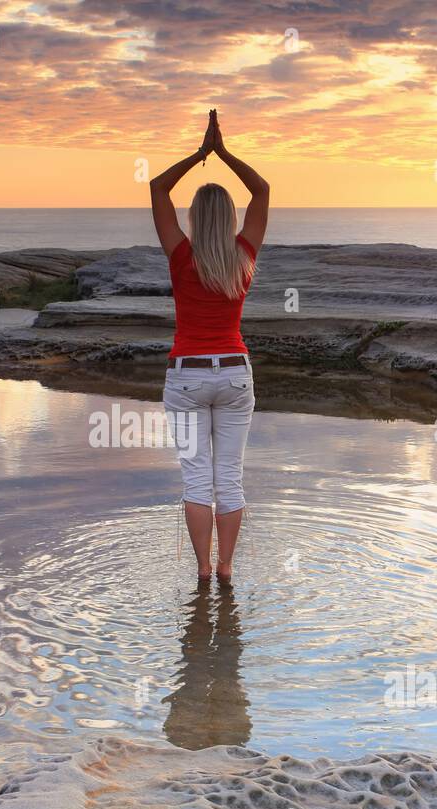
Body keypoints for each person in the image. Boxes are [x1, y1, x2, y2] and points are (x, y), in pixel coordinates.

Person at [149, 109, 269, 585]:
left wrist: (200, 155)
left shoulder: (181, 255)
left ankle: (201, 570)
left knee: (197, 479)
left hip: (187, 375)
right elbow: (262, 190)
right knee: (230, 478)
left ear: (196, 218)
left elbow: (158, 188)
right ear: (232, 218)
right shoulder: (244, 256)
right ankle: (226, 569)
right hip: (235, 373)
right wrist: (225, 154)